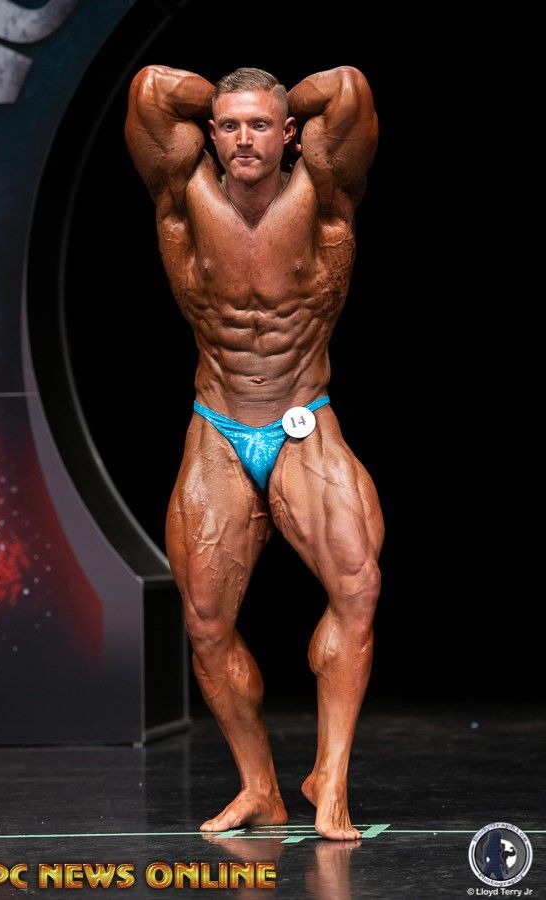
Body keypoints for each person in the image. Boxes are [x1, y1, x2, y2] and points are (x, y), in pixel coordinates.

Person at [125, 63, 384, 841]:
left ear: (290, 135)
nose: (244, 138)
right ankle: (260, 788)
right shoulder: (182, 193)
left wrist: (276, 98)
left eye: (261, 125)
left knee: (359, 586)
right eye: (230, 125)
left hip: (305, 420)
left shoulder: (323, 193)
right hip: (219, 427)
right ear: (209, 133)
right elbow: (149, 89)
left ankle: (330, 777)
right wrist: (231, 99)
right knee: (206, 626)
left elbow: (346, 87)